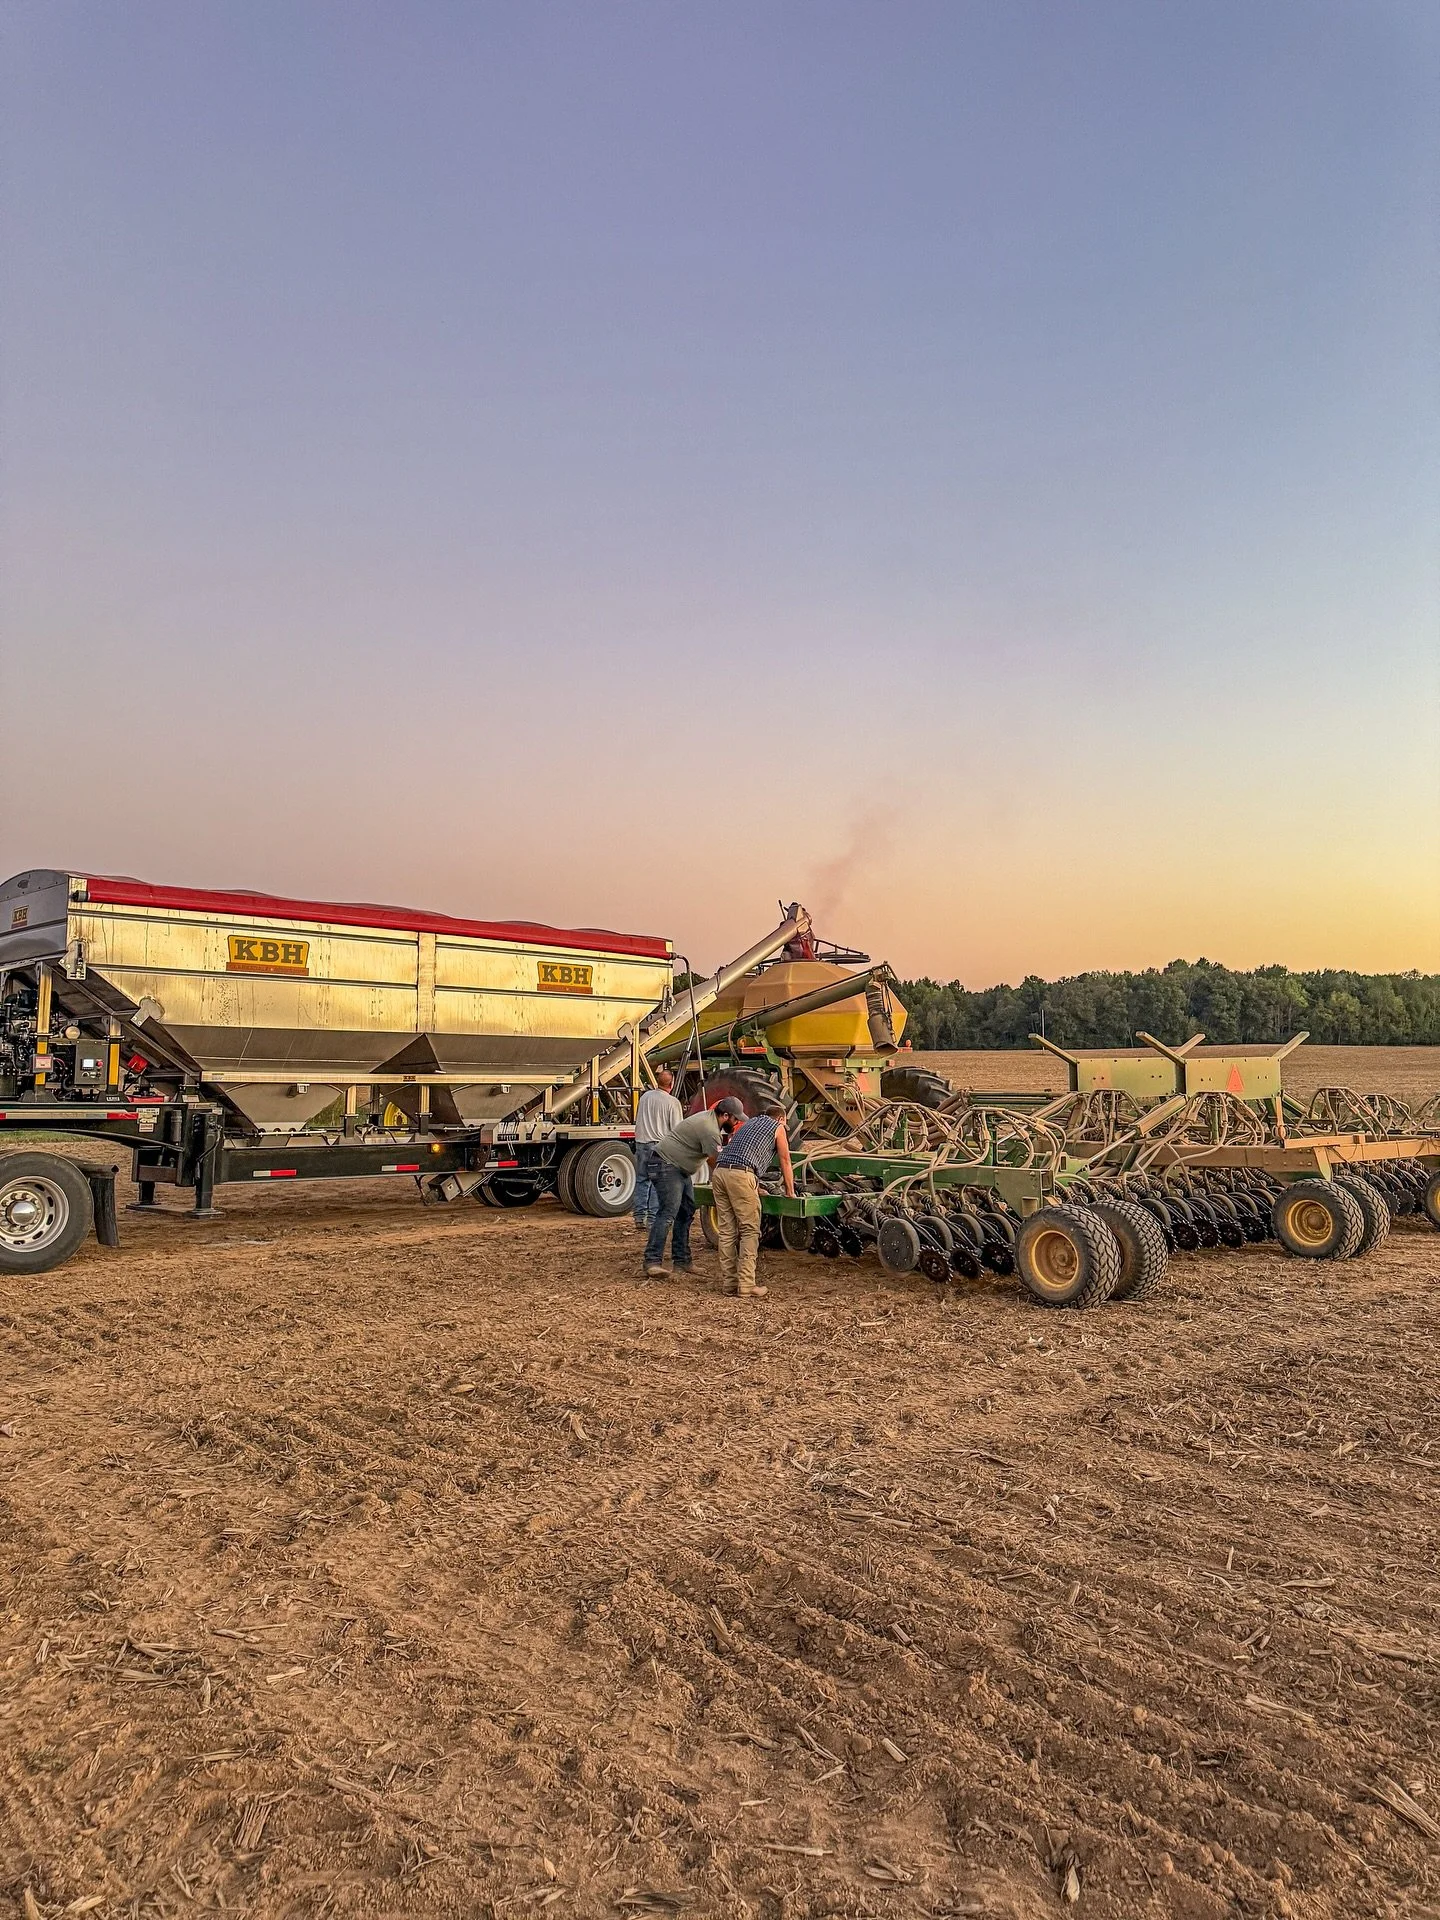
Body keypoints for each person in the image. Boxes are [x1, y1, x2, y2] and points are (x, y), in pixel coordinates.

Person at [645, 1096, 744, 1279]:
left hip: (677, 1168)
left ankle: (682, 1261)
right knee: (668, 1213)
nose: (737, 1123)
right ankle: (652, 1262)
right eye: (735, 1119)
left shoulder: (710, 1121)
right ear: (725, 1115)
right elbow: (717, 1162)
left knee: (686, 1212)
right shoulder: (709, 1130)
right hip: (666, 1165)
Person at [711, 1101, 795, 1299]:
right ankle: (747, 1285)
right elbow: (785, 1160)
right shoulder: (777, 1127)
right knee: (750, 1230)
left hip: (720, 1172)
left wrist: (754, 1187)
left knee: (727, 1232)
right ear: (781, 1119)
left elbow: (743, 1153)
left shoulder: (749, 1123)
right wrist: (790, 1192)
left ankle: (730, 1284)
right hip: (741, 1176)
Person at [631, 1067, 682, 1233]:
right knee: (657, 1183)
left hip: (641, 1143)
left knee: (641, 1180)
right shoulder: (672, 1102)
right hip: (660, 1146)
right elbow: (676, 1130)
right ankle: (653, 1219)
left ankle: (639, 1217)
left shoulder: (645, 1097)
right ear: (671, 1084)